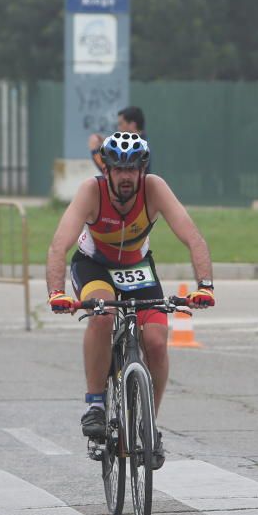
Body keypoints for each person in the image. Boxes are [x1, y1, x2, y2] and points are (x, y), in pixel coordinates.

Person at [47, 131, 214, 467]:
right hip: (95, 267)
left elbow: (192, 236)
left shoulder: (154, 188)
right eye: (119, 170)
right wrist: (57, 292)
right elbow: (58, 245)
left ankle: (149, 424)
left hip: (137, 267)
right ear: (106, 170)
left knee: (155, 339)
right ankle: (96, 404)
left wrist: (205, 286)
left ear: (142, 170)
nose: (126, 177)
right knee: (103, 313)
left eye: (133, 169)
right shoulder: (90, 192)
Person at [88, 106, 148, 172]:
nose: (119, 128)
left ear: (132, 125)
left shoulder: (138, 148)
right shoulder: (141, 143)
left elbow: (111, 172)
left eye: (121, 124)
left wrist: (94, 151)